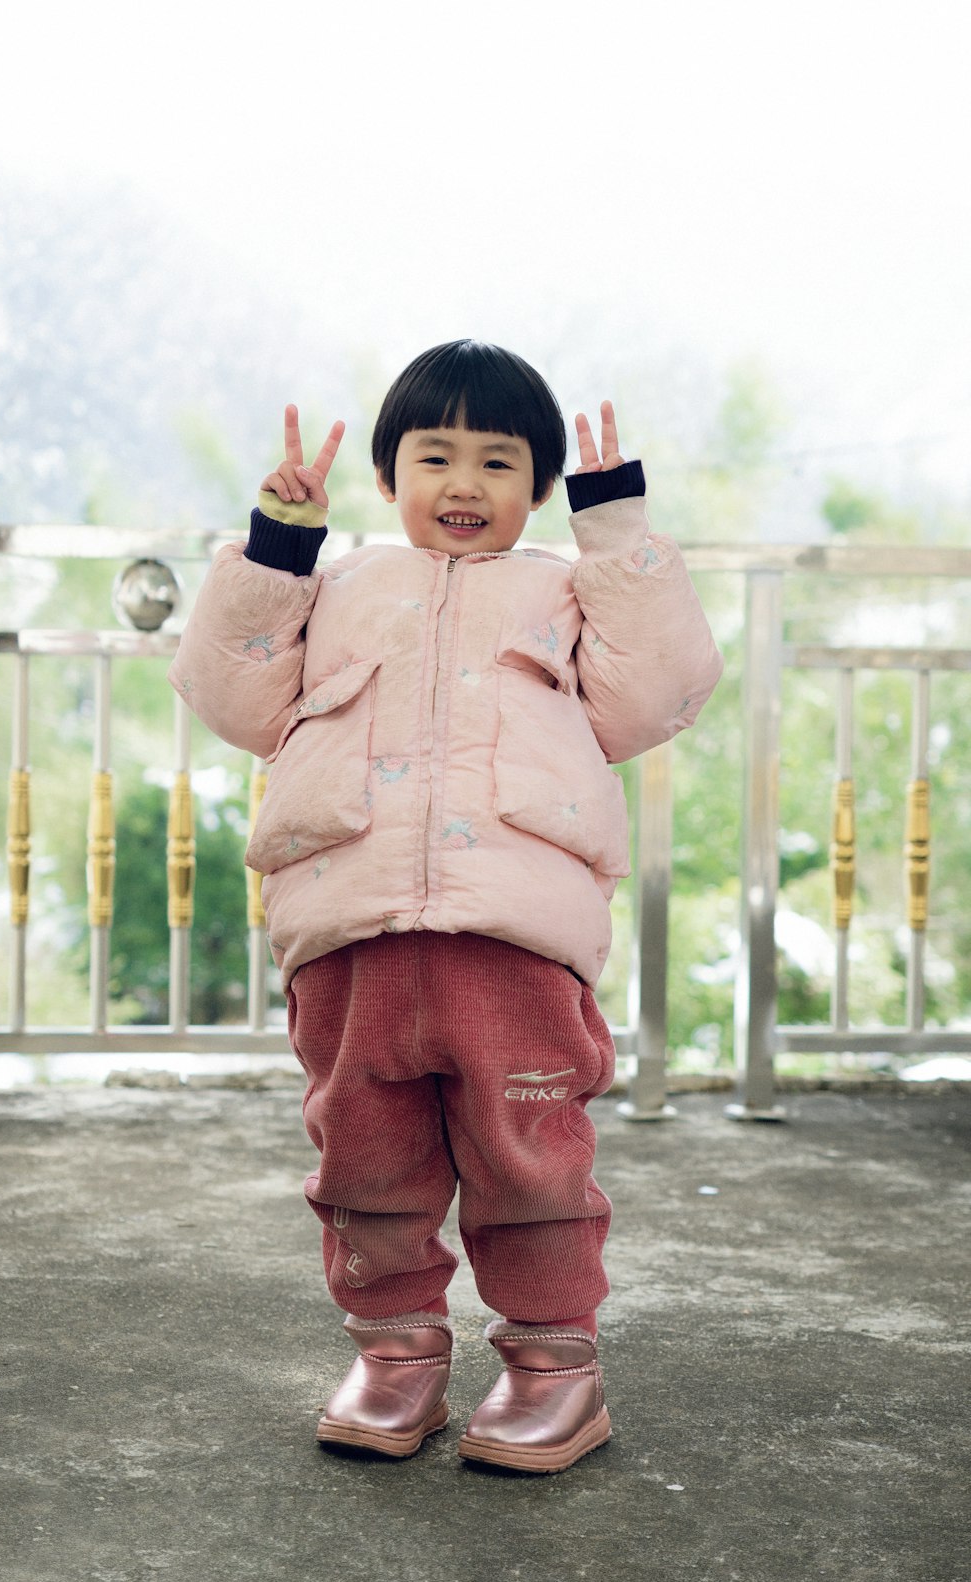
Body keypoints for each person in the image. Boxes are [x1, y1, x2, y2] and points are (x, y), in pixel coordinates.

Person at [169, 339, 722, 1473]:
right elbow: (232, 695)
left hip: (511, 942)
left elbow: (658, 693)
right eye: (436, 456)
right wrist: (277, 550)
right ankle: (395, 1353)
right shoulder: (336, 588)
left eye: (498, 462)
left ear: (537, 488)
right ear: (387, 476)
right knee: (364, 1164)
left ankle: (554, 1369)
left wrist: (615, 532)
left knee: (531, 1158)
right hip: (351, 934)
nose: (464, 484)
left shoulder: (564, 591)